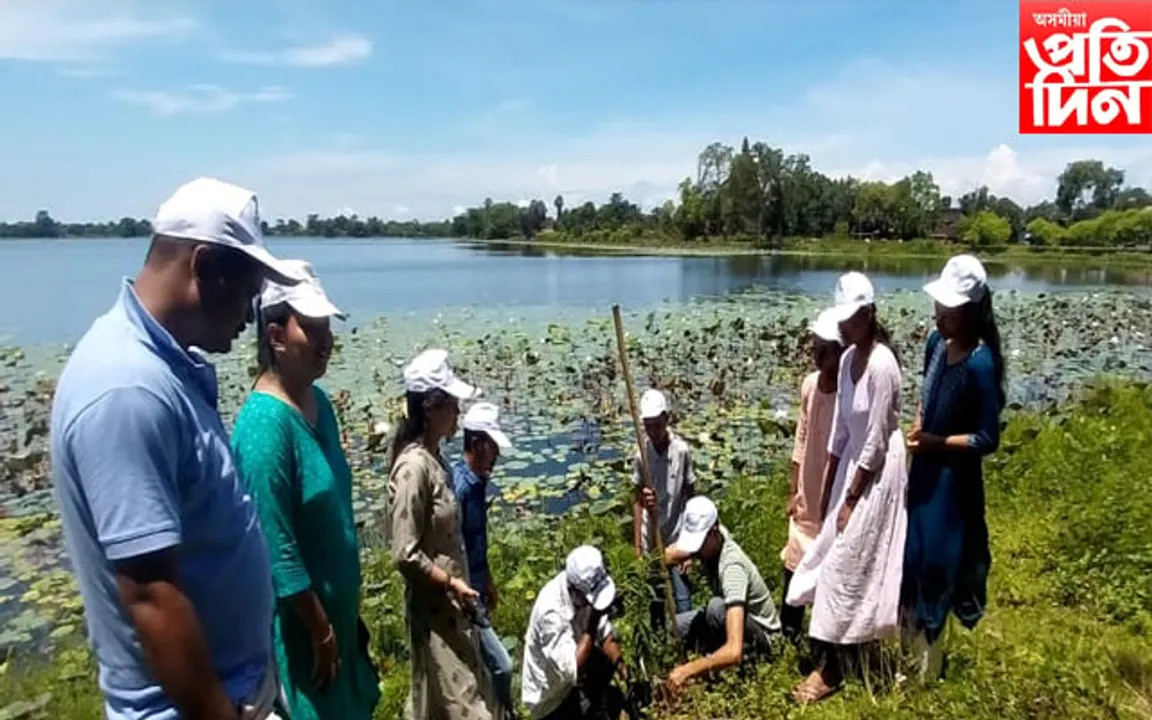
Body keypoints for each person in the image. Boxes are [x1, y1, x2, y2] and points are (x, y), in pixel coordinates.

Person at [50, 177, 304, 720]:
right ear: (204, 266)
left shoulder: (162, 366)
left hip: (234, 689)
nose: (250, 315)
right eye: (249, 292)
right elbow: (151, 597)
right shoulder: (126, 389)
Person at [231, 261, 381, 719]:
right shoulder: (264, 427)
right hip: (305, 640)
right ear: (276, 336)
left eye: (326, 327)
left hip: (338, 628)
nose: (326, 340)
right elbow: (277, 552)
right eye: (311, 328)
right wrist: (322, 631)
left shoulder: (321, 405)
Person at [786, 272, 908, 705]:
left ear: (870, 313)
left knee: (847, 561)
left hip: (877, 471)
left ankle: (833, 668)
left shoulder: (881, 363)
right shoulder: (849, 357)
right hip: (852, 465)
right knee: (827, 552)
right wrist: (829, 483)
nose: (844, 327)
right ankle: (845, 646)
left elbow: (876, 438)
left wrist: (852, 496)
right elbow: (841, 429)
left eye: (852, 318)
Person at [903, 255, 1005, 680]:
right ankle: (906, 655)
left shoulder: (981, 362)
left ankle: (930, 669)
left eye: (948, 310)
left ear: (971, 311)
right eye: (939, 308)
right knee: (912, 557)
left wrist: (937, 443)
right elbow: (926, 397)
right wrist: (919, 427)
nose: (939, 316)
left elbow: (986, 438)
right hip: (924, 472)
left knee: (939, 566)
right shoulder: (934, 344)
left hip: (952, 482)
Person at [386, 348, 495, 720]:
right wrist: (450, 583)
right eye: (451, 404)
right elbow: (405, 551)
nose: (458, 413)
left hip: (453, 611)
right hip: (435, 614)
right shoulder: (413, 468)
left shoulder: (437, 462)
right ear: (430, 409)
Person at [663, 496, 781, 693]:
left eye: (699, 543)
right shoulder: (715, 541)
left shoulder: (732, 567)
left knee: (715, 608)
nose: (695, 550)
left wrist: (688, 671)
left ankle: (740, 668)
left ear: (714, 532)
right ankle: (713, 655)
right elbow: (667, 554)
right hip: (733, 620)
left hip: (763, 639)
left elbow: (734, 651)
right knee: (673, 626)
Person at [780, 308, 845, 639]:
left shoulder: (847, 393)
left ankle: (824, 637)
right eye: (814, 348)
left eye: (824, 350)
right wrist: (793, 490)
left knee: (829, 564)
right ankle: (788, 634)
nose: (817, 356)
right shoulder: (809, 386)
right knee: (794, 558)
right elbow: (801, 439)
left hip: (833, 490)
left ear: (839, 352)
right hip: (808, 485)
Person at [453, 401, 517, 717]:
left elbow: (476, 540)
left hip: (476, 590)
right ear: (477, 443)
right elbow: (453, 547)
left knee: (481, 667)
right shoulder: (460, 488)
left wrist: (487, 577)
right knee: (502, 667)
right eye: (493, 446)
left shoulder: (478, 483)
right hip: (464, 598)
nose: (497, 455)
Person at [521, 546, 628, 720]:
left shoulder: (586, 592)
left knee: (608, 673)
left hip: (574, 680)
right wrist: (592, 622)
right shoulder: (551, 612)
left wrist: (623, 670)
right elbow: (573, 669)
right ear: (574, 592)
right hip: (551, 699)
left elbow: (606, 635)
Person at [632, 389, 696, 615]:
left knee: (683, 598)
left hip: (677, 535)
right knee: (655, 600)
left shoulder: (681, 451)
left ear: (666, 419)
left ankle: (687, 642)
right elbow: (637, 500)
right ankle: (659, 644)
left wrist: (690, 544)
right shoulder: (642, 455)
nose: (653, 432)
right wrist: (639, 546)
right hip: (652, 536)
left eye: (657, 425)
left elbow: (690, 496)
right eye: (648, 426)